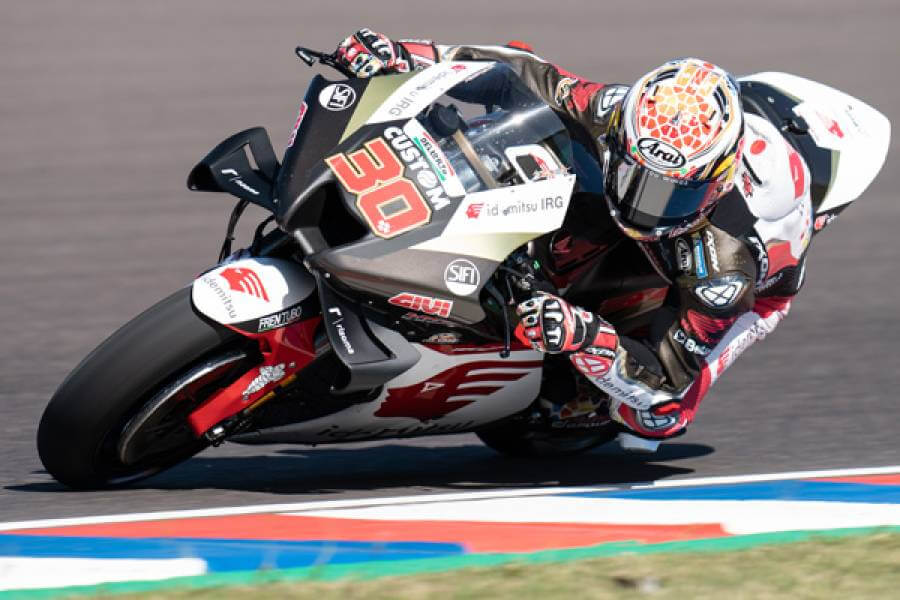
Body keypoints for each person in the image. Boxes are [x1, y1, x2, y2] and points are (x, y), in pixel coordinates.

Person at [333, 29, 812, 451]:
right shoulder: (614, 111)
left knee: (653, 416)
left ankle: (580, 388)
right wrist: (405, 55)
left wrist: (586, 336)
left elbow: (663, 381)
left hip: (749, 287)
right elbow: (519, 73)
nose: (644, 205)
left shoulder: (725, 269)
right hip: (672, 176)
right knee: (558, 159)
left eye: (672, 195)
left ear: (717, 182)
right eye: (634, 175)